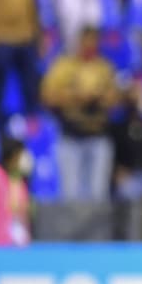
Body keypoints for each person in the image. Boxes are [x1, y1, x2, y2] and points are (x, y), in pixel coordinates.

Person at [40, 26, 121, 202]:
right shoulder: (63, 66)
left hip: (98, 137)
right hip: (71, 138)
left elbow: (115, 99)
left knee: (98, 196)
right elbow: (48, 96)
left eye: (94, 42)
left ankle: (96, 231)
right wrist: (76, 96)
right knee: (70, 196)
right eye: (87, 41)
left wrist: (98, 96)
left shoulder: (103, 67)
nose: (90, 46)